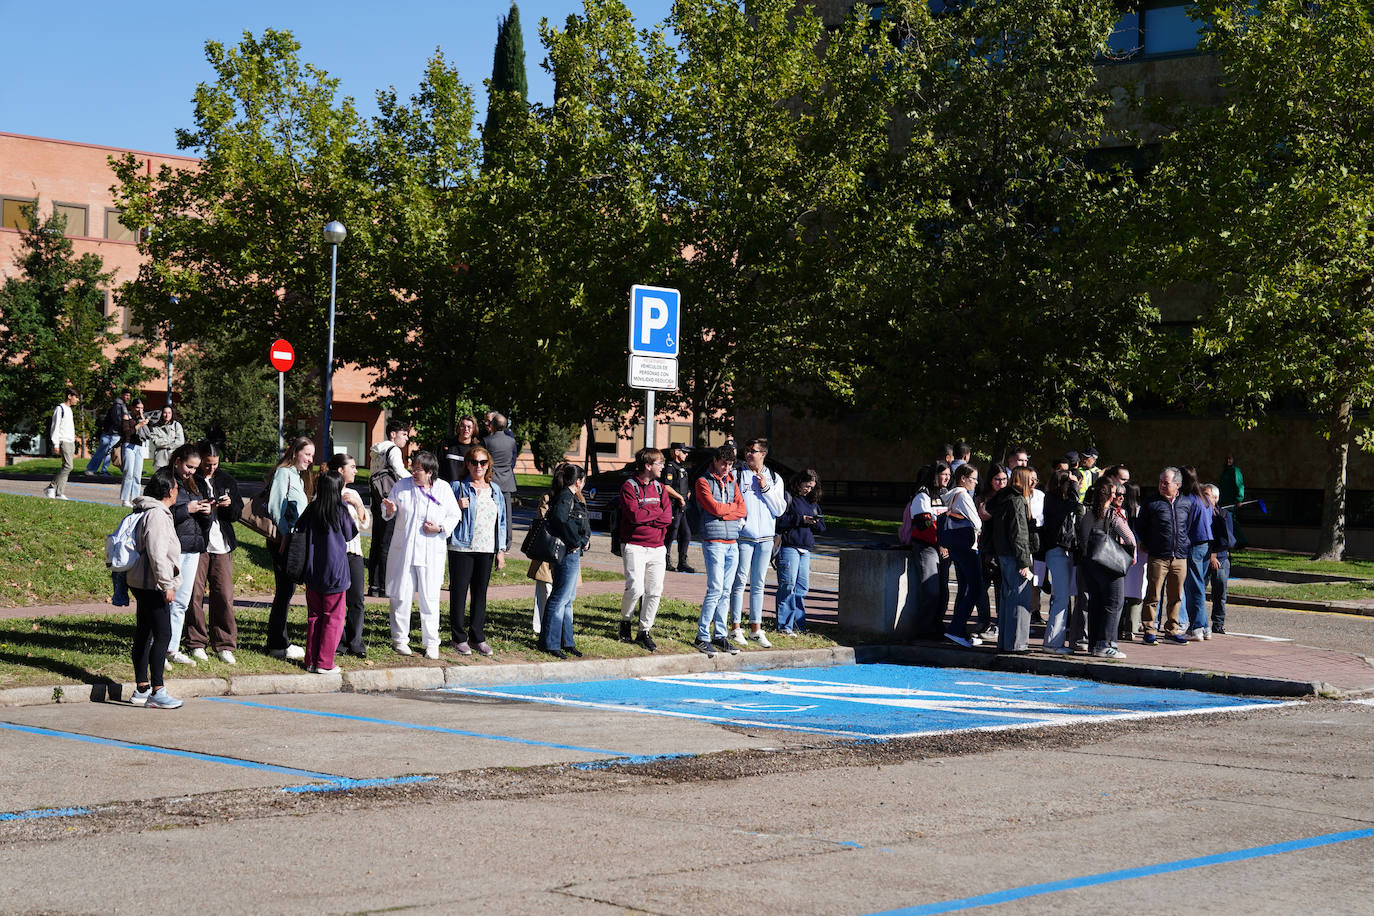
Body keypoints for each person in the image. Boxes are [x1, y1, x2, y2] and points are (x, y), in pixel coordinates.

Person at [383, 450, 461, 659]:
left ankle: (431, 642)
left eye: (418, 469)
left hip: (431, 551)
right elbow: (388, 513)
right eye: (413, 468)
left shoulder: (443, 489)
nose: (414, 472)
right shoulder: (402, 486)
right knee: (401, 595)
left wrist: (440, 527)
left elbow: (455, 514)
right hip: (405, 550)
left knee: (430, 598)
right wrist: (389, 510)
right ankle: (400, 639)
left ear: (430, 472)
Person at [125, 467, 185, 709]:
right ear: (169, 491)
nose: (178, 492)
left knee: (144, 633)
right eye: (177, 488)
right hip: (153, 584)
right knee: (163, 635)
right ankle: (157, 690)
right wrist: (167, 584)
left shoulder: (144, 509)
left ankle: (142, 688)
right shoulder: (158, 515)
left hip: (140, 581)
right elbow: (157, 553)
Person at [295, 470, 358, 674]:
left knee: (314, 616)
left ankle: (311, 660)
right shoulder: (340, 509)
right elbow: (350, 535)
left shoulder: (312, 508)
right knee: (333, 618)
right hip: (335, 572)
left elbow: (300, 528)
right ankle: (324, 662)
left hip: (313, 570)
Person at [447, 446, 507, 657]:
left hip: (486, 548)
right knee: (459, 593)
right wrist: (456, 505)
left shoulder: (495, 490)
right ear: (467, 464)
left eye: (482, 462)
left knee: (480, 594)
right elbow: (442, 512)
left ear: (488, 464)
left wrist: (500, 551)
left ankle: (477, 637)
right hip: (461, 546)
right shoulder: (457, 487)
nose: (478, 466)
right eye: (474, 462)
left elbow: (501, 522)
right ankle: (458, 637)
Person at [185, 443, 241, 665]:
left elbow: (237, 513)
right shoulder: (191, 479)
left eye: (215, 465)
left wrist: (227, 505)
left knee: (224, 595)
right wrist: (200, 508)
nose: (210, 469)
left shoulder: (226, 480)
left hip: (222, 545)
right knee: (194, 595)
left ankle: (225, 643)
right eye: (207, 465)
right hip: (198, 544)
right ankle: (196, 642)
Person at [728, 438, 787, 647]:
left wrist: (766, 489)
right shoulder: (736, 474)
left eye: (753, 451)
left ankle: (755, 627)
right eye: (746, 451)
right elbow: (731, 503)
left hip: (765, 538)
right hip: (744, 537)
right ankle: (735, 627)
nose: (748, 454)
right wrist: (740, 523)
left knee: (759, 583)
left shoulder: (774, 478)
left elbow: (779, 509)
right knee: (739, 581)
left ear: (763, 453)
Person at [617, 447, 673, 652]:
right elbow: (634, 517)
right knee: (636, 588)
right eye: (659, 463)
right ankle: (625, 621)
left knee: (655, 590)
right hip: (634, 545)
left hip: (658, 547)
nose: (663, 466)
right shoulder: (629, 487)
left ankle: (644, 630)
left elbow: (667, 517)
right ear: (648, 465)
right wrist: (655, 513)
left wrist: (648, 513)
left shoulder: (660, 488)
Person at [694, 444, 747, 657]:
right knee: (715, 589)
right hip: (714, 542)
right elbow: (713, 508)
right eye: (723, 463)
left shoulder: (733, 482)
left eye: (730, 464)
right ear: (715, 461)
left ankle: (720, 635)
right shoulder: (702, 481)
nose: (727, 467)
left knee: (726, 591)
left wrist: (726, 512)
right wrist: (729, 510)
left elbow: (743, 509)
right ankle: (702, 635)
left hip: (732, 542)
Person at [265, 437, 316, 661]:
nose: (310, 460)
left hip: (293, 539)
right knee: (284, 591)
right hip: (284, 539)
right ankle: (277, 642)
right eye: (307, 454)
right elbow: (275, 506)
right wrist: (285, 533)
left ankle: (279, 640)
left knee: (288, 591)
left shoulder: (296, 475)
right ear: (295, 452)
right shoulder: (284, 473)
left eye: (312, 456)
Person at [165, 443, 212, 668]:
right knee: (165, 600)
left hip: (193, 547)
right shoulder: (165, 479)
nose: (191, 471)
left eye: (194, 468)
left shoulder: (194, 484)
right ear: (177, 461)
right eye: (188, 466)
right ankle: (158, 648)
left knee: (182, 602)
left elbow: (203, 520)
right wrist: (187, 510)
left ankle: (172, 648)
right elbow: (157, 512)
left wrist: (206, 511)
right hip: (171, 549)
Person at [1078, 478, 1136, 660]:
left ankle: (1094, 643)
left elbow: (1082, 538)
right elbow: (1130, 539)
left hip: (1090, 565)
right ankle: (1107, 644)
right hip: (1110, 565)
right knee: (1114, 603)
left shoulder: (1087, 515)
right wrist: (1130, 555)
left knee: (1095, 604)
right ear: (1110, 496)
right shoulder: (1113, 516)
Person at [1138, 466, 1194, 645]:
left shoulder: (1186, 503)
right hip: (1158, 556)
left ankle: (1172, 630)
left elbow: (1189, 527)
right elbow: (1141, 527)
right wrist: (1146, 544)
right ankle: (1149, 629)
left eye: (1166, 482)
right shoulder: (1151, 502)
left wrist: (1185, 545)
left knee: (1176, 596)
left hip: (1180, 557)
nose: (1161, 485)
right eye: (1160, 481)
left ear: (1177, 484)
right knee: (1153, 595)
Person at [541, 464, 591, 658]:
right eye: (584, 480)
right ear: (578, 481)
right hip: (567, 553)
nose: (584, 484)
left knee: (568, 599)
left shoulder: (570, 497)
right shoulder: (565, 496)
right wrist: (576, 541)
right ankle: (550, 643)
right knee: (560, 598)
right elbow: (560, 520)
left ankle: (566, 641)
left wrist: (583, 541)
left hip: (573, 552)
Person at [987, 465, 1038, 653]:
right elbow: (1019, 534)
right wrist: (1024, 562)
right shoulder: (1017, 501)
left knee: (1008, 599)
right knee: (1019, 599)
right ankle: (1017, 643)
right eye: (1031, 479)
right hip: (1014, 554)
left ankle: (1006, 642)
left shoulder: (1004, 498)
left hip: (1004, 553)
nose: (1033, 483)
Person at [328, 452, 371, 658]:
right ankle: (339, 641)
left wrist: (358, 504)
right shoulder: (326, 493)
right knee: (337, 599)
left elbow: (365, 523)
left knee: (357, 600)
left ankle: (356, 642)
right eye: (352, 467)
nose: (355, 470)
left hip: (354, 553)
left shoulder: (354, 493)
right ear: (340, 471)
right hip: (335, 554)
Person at [775, 469, 824, 635]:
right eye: (806, 485)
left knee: (802, 588)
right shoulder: (788, 498)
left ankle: (798, 625)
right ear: (799, 482)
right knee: (787, 586)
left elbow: (822, 527)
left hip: (805, 549)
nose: (808, 489)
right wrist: (800, 519)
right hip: (789, 547)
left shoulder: (812, 503)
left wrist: (815, 522)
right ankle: (784, 626)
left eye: (811, 487)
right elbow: (779, 522)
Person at [942, 463, 985, 647]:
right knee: (975, 587)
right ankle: (956, 628)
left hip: (955, 546)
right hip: (967, 547)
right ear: (963, 479)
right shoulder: (963, 496)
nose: (975, 482)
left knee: (964, 587)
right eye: (973, 479)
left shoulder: (950, 496)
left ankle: (958, 630)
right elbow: (977, 522)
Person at [367, 420, 411, 597]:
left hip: (377, 499)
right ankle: (385, 586)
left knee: (377, 543)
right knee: (387, 544)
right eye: (404, 434)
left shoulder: (377, 451)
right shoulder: (393, 450)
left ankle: (374, 585)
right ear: (393, 434)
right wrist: (415, 481)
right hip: (390, 500)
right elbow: (399, 470)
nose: (406, 439)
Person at [1040, 469, 1082, 655]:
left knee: (1061, 597)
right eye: (1072, 483)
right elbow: (1075, 503)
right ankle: (1053, 643)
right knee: (1062, 598)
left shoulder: (1055, 501)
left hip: (1061, 550)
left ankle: (1054, 641)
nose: (1076, 486)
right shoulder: (1053, 500)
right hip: (1057, 551)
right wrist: (1073, 486)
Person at [906, 462, 949, 639]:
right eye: (943, 474)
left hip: (944, 548)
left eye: (949, 474)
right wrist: (940, 544)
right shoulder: (922, 496)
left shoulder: (944, 495)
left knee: (943, 591)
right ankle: (924, 628)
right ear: (934, 476)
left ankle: (937, 625)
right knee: (931, 590)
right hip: (927, 548)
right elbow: (924, 527)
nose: (947, 477)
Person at [1181, 465, 1214, 640]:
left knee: (1193, 588)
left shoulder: (1189, 499)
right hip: (1206, 544)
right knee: (1199, 586)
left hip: (1193, 544)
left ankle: (1196, 627)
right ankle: (1204, 626)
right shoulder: (1204, 498)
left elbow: (1184, 526)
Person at [481, 411, 519, 551]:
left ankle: (492, 538)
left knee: (490, 511)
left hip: (492, 479)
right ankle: (507, 543)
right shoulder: (511, 441)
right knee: (507, 514)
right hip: (507, 480)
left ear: (493, 425)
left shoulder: (487, 441)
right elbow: (512, 460)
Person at [1205, 483, 1236, 635]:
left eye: (1207, 495)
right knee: (1198, 592)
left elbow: (1226, 539)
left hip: (1220, 559)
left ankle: (1218, 624)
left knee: (1219, 594)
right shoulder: (1200, 512)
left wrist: (1214, 555)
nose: (1203, 498)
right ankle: (1199, 623)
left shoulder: (1224, 514)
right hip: (1203, 558)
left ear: (1215, 498)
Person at [661, 443, 695, 573]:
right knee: (671, 533)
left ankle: (682, 562)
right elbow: (667, 486)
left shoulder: (682, 468)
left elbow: (684, 484)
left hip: (682, 507)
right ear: (676, 452)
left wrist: (687, 493)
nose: (686, 455)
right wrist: (679, 497)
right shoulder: (670, 467)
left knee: (686, 534)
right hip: (673, 506)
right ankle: (665, 561)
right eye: (684, 452)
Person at [45, 388, 80, 500]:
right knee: (68, 466)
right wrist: (55, 443)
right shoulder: (60, 409)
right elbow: (55, 427)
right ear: (69, 396)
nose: (77, 400)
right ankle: (51, 487)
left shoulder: (69, 410)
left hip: (70, 441)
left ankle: (59, 493)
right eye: (76, 397)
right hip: (63, 440)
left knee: (67, 467)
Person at [85, 389, 129, 477]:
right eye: (126, 395)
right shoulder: (119, 405)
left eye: (128, 395)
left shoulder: (118, 405)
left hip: (107, 432)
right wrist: (124, 427)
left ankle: (90, 469)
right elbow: (117, 420)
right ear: (121, 395)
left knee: (101, 452)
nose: (128, 397)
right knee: (109, 452)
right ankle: (103, 471)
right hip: (114, 433)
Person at [119, 399, 151, 507]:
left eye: (142, 408)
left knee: (137, 475)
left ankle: (135, 499)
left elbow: (148, 433)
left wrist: (143, 420)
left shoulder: (142, 418)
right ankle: (125, 499)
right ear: (132, 407)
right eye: (137, 408)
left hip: (139, 446)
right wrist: (138, 425)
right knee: (129, 473)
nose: (139, 410)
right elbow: (126, 432)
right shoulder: (127, 417)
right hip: (129, 445)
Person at [438, 414, 480, 483]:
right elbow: (437, 465)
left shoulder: (477, 449)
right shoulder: (446, 444)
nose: (466, 429)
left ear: (474, 429)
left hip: (467, 488)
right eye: (463, 426)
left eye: (469, 427)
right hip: (447, 487)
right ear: (458, 428)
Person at [1219, 454, 1246, 548]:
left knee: (1232, 521)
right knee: (1226, 520)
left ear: (1233, 460)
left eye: (1230, 459)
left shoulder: (1235, 471)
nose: (1228, 461)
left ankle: (1241, 541)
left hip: (1232, 501)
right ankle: (1231, 541)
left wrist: (1239, 499)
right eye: (1226, 458)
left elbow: (1239, 485)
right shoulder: (1224, 471)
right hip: (1223, 501)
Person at [146, 405, 185, 471]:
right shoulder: (155, 427)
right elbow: (156, 443)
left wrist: (168, 446)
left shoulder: (176, 425)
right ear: (161, 414)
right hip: (160, 458)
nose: (167, 415)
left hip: (174, 457)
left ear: (172, 414)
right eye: (165, 413)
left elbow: (181, 441)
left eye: (169, 413)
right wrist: (172, 440)